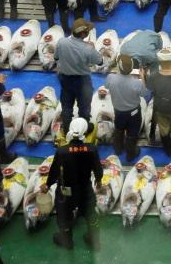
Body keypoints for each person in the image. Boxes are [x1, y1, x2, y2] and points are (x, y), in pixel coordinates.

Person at [42, 117, 102, 251]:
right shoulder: (92, 149)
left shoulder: (62, 151)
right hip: (85, 189)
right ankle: (94, 240)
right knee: (91, 213)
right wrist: (99, 181)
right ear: (85, 132)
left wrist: (47, 185)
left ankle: (67, 241)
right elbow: (98, 169)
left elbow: (54, 171)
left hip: (66, 191)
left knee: (64, 214)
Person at [51, 19, 101, 138]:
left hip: (65, 80)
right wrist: (92, 48)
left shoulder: (61, 42)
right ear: (83, 34)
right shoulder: (88, 48)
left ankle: (67, 129)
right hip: (82, 82)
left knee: (66, 106)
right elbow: (100, 61)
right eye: (87, 31)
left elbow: (56, 58)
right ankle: (83, 129)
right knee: (84, 108)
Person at [107, 52, 150, 161]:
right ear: (131, 69)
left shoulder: (110, 78)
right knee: (132, 133)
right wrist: (142, 77)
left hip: (118, 112)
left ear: (119, 67)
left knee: (118, 130)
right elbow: (145, 93)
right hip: (133, 113)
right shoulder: (136, 83)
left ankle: (118, 149)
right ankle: (130, 154)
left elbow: (107, 86)